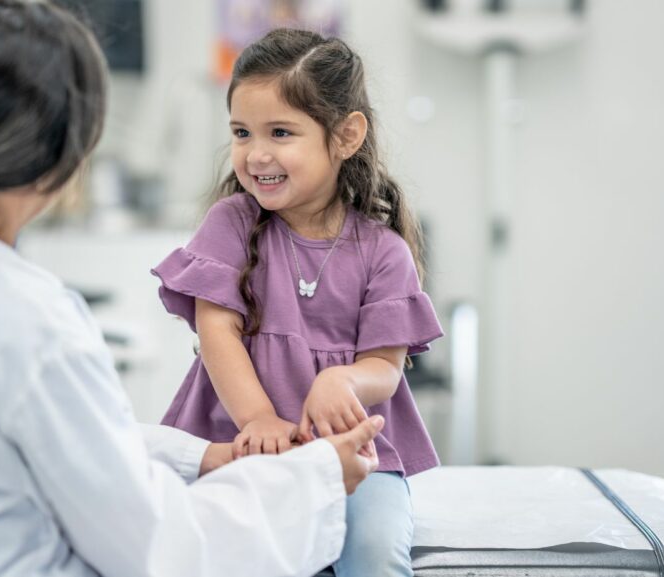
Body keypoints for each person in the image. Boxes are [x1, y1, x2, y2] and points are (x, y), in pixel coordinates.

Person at [0, 3, 385, 577]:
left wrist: (205, 457)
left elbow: (62, 446)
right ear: (66, 152)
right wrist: (312, 481)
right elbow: (160, 550)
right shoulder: (29, 321)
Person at [151, 28, 444, 577]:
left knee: (375, 553)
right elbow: (217, 332)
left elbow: (385, 365)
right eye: (241, 132)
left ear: (346, 135)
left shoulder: (384, 251)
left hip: (355, 455)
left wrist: (345, 380)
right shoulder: (231, 223)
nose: (256, 153)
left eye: (280, 132)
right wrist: (259, 418)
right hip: (238, 437)